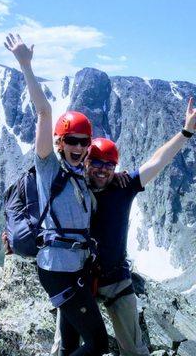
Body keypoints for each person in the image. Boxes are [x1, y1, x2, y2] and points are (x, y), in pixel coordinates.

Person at [55, 98, 196, 356]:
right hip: (80, 280)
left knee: (135, 351)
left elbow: (157, 161)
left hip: (117, 280)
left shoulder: (124, 187)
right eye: (97, 162)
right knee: (67, 349)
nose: (103, 170)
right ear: (85, 161)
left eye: (109, 165)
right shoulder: (73, 187)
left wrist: (186, 131)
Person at [5, 33, 109, 356]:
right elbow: (44, 112)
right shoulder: (49, 167)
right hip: (58, 268)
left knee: (71, 343)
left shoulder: (80, 176)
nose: (79, 147)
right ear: (60, 143)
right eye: (72, 140)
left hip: (73, 267)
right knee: (98, 342)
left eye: (84, 141)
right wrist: (25, 64)